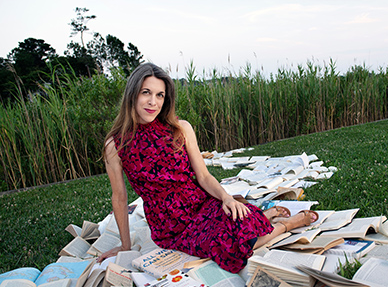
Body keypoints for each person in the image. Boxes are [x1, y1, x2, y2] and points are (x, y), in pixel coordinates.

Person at [97, 63, 318, 273]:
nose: (153, 102)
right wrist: (125, 246)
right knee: (235, 246)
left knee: (239, 222)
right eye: (146, 92)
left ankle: (270, 217)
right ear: (132, 93)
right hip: (168, 226)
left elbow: (203, 176)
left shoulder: (180, 129)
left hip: (201, 204)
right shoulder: (116, 145)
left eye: (160, 95)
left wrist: (226, 198)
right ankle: (288, 223)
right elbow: (119, 198)